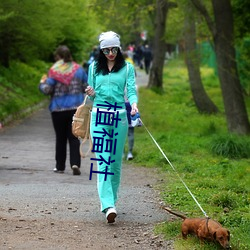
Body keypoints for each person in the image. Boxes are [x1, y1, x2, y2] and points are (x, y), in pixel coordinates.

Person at [85, 31, 138, 223]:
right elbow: (91, 97)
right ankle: (107, 205)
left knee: (115, 164)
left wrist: (134, 104)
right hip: (98, 116)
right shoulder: (93, 68)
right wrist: (90, 92)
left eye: (114, 49)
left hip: (119, 118)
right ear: (101, 50)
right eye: (106, 50)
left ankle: (112, 202)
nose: (110, 53)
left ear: (119, 48)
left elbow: (131, 90)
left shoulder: (127, 68)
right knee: (103, 162)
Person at [39, 45, 88, 175]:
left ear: (58, 57)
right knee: (74, 137)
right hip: (75, 109)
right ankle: (75, 163)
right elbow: (86, 87)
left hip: (58, 109)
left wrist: (42, 83)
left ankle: (60, 166)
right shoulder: (79, 70)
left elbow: (47, 90)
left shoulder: (54, 71)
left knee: (60, 138)